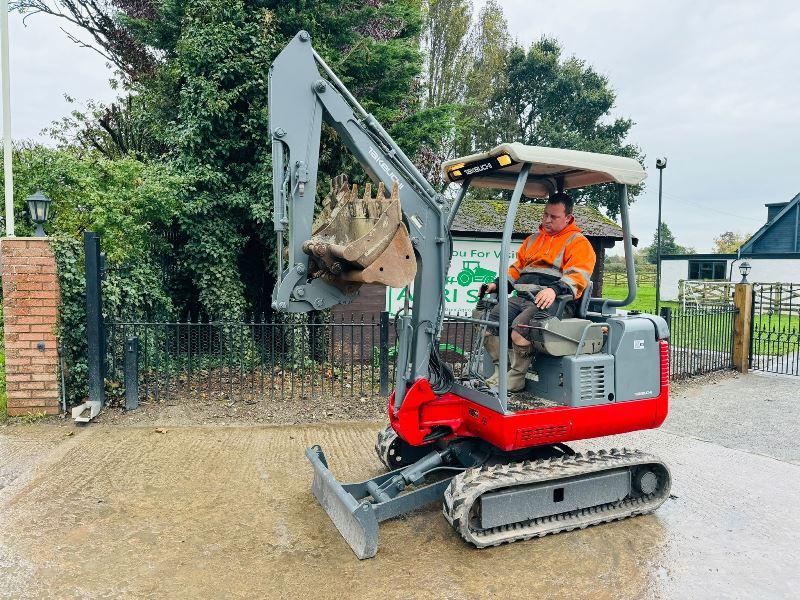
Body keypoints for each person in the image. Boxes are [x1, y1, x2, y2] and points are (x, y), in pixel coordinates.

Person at [482, 191, 596, 392]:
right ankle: (501, 371)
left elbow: (578, 276)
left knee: (520, 330)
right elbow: (517, 269)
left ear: (568, 218)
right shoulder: (533, 240)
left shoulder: (578, 243)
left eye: (554, 217)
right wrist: (498, 284)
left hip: (555, 300)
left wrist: (554, 290)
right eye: (545, 215)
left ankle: (516, 378)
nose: (547, 220)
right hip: (524, 296)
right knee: (491, 323)